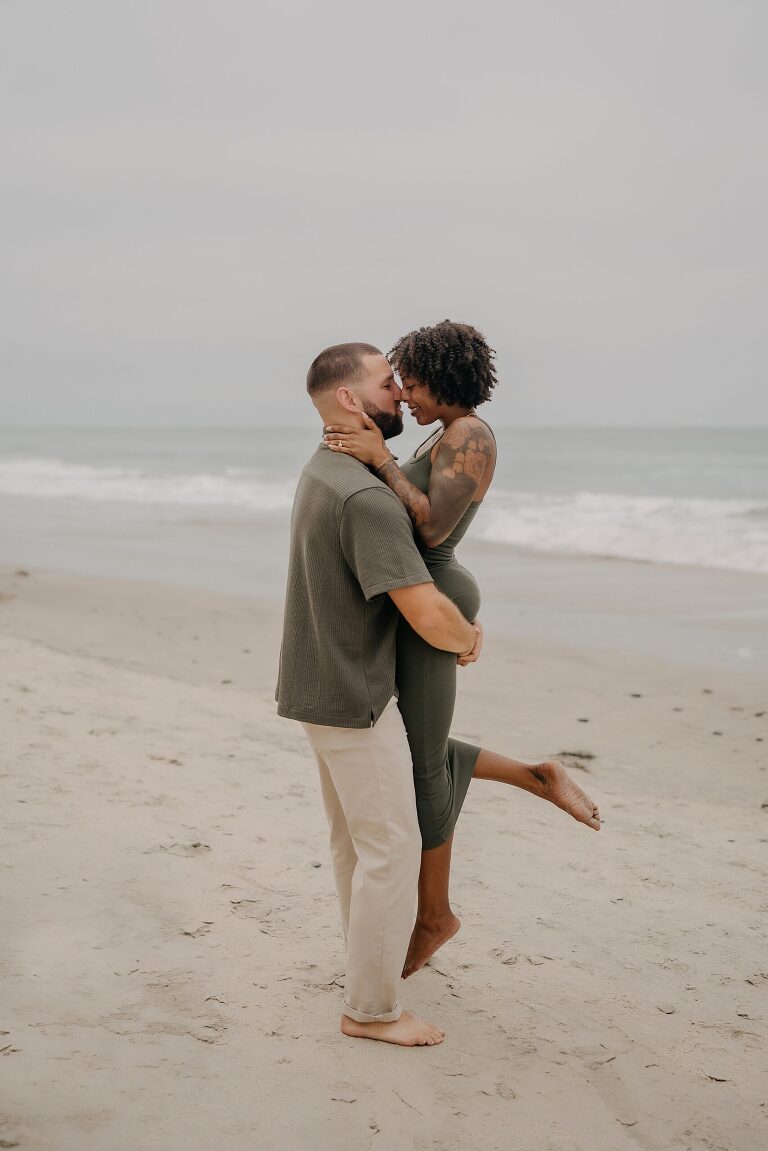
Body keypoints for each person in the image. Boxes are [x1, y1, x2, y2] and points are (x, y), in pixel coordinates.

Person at [323, 320, 601, 978]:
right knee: (405, 745)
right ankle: (538, 775)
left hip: (434, 602)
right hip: (418, 599)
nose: (406, 393)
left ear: (443, 376)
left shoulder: (470, 435)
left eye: (412, 381)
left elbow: (432, 523)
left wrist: (378, 460)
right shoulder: (439, 431)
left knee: (420, 763)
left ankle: (434, 915)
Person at [276, 341, 483, 1047]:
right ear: (346, 399)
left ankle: (366, 966)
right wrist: (464, 634)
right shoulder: (366, 496)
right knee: (392, 847)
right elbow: (424, 610)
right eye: (385, 382)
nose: (398, 393)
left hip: (317, 684)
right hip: (355, 695)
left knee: (354, 847)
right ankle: (372, 1010)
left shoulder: (324, 469)